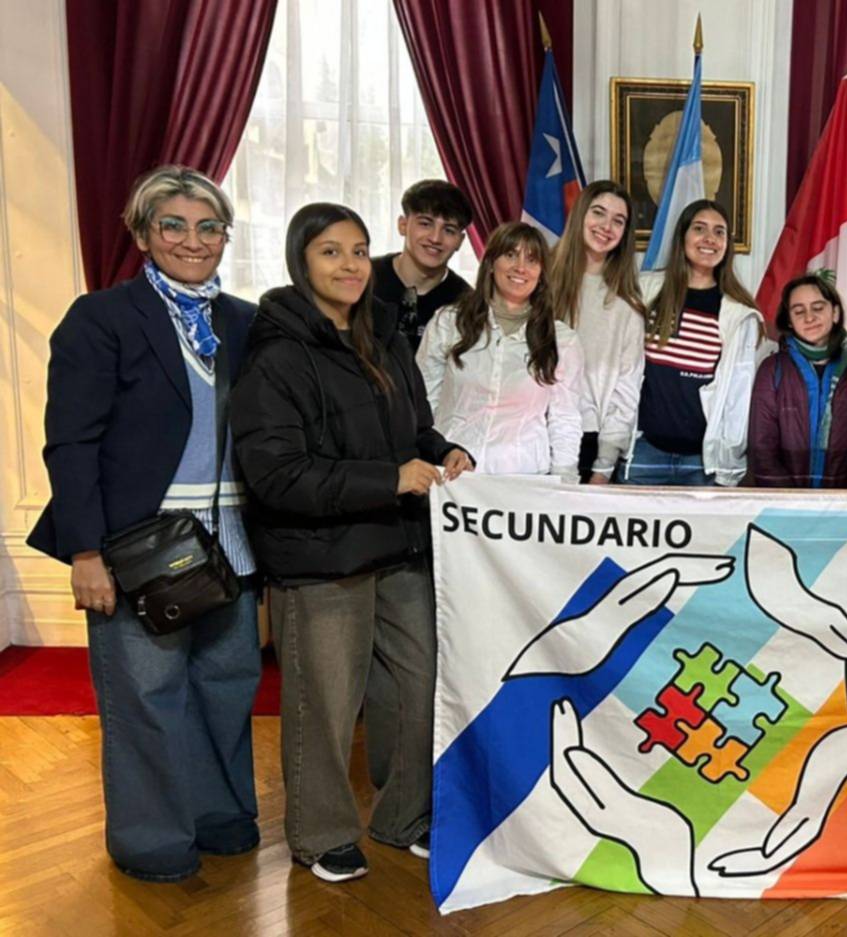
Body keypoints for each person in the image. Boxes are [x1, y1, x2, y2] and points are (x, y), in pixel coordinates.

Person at [27, 165, 261, 882]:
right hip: (136, 547)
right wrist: (85, 552)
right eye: (174, 226)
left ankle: (221, 816)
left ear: (226, 236)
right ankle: (152, 840)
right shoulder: (101, 318)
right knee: (147, 698)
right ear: (142, 233)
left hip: (231, 543)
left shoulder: (245, 322)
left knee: (228, 686)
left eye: (208, 226)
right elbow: (71, 443)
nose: (193, 241)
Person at [231, 202, 473, 883]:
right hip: (319, 557)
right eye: (331, 251)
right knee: (326, 702)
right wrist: (390, 478)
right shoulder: (277, 352)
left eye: (360, 251)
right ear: (301, 260)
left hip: (398, 546)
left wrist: (446, 450)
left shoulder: (383, 336)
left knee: (419, 686)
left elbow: (415, 430)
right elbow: (277, 474)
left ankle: (404, 816)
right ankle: (322, 833)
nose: (350, 264)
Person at [418, 221, 584, 480]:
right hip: (452, 475)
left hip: (522, 480)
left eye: (532, 260)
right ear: (491, 263)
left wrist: (565, 482)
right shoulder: (448, 322)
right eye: (510, 255)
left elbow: (565, 419)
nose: (520, 267)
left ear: (541, 273)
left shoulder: (562, 340)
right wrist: (434, 452)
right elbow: (423, 400)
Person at [626, 198, 772, 486]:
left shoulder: (739, 314)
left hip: (702, 463)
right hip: (644, 453)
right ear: (683, 237)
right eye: (700, 228)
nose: (710, 239)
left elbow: (737, 399)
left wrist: (728, 467)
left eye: (719, 232)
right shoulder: (646, 291)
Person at [548, 180, 647, 482]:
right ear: (580, 215)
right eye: (599, 213)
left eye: (618, 221)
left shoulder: (626, 305)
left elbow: (627, 389)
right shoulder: (538, 280)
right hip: (531, 434)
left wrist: (603, 466)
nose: (606, 226)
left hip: (589, 440)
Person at [749, 274, 847, 488]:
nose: (809, 318)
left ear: (835, 313)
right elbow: (762, 448)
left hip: (844, 506)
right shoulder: (771, 370)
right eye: (799, 311)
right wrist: (791, 503)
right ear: (790, 321)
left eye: (818, 308)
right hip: (783, 505)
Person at [371, 179, 474, 357]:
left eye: (449, 230)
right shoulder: (363, 277)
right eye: (425, 224)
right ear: (403, 225)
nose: (435, 238)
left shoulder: (467, 304)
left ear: (460, 241)